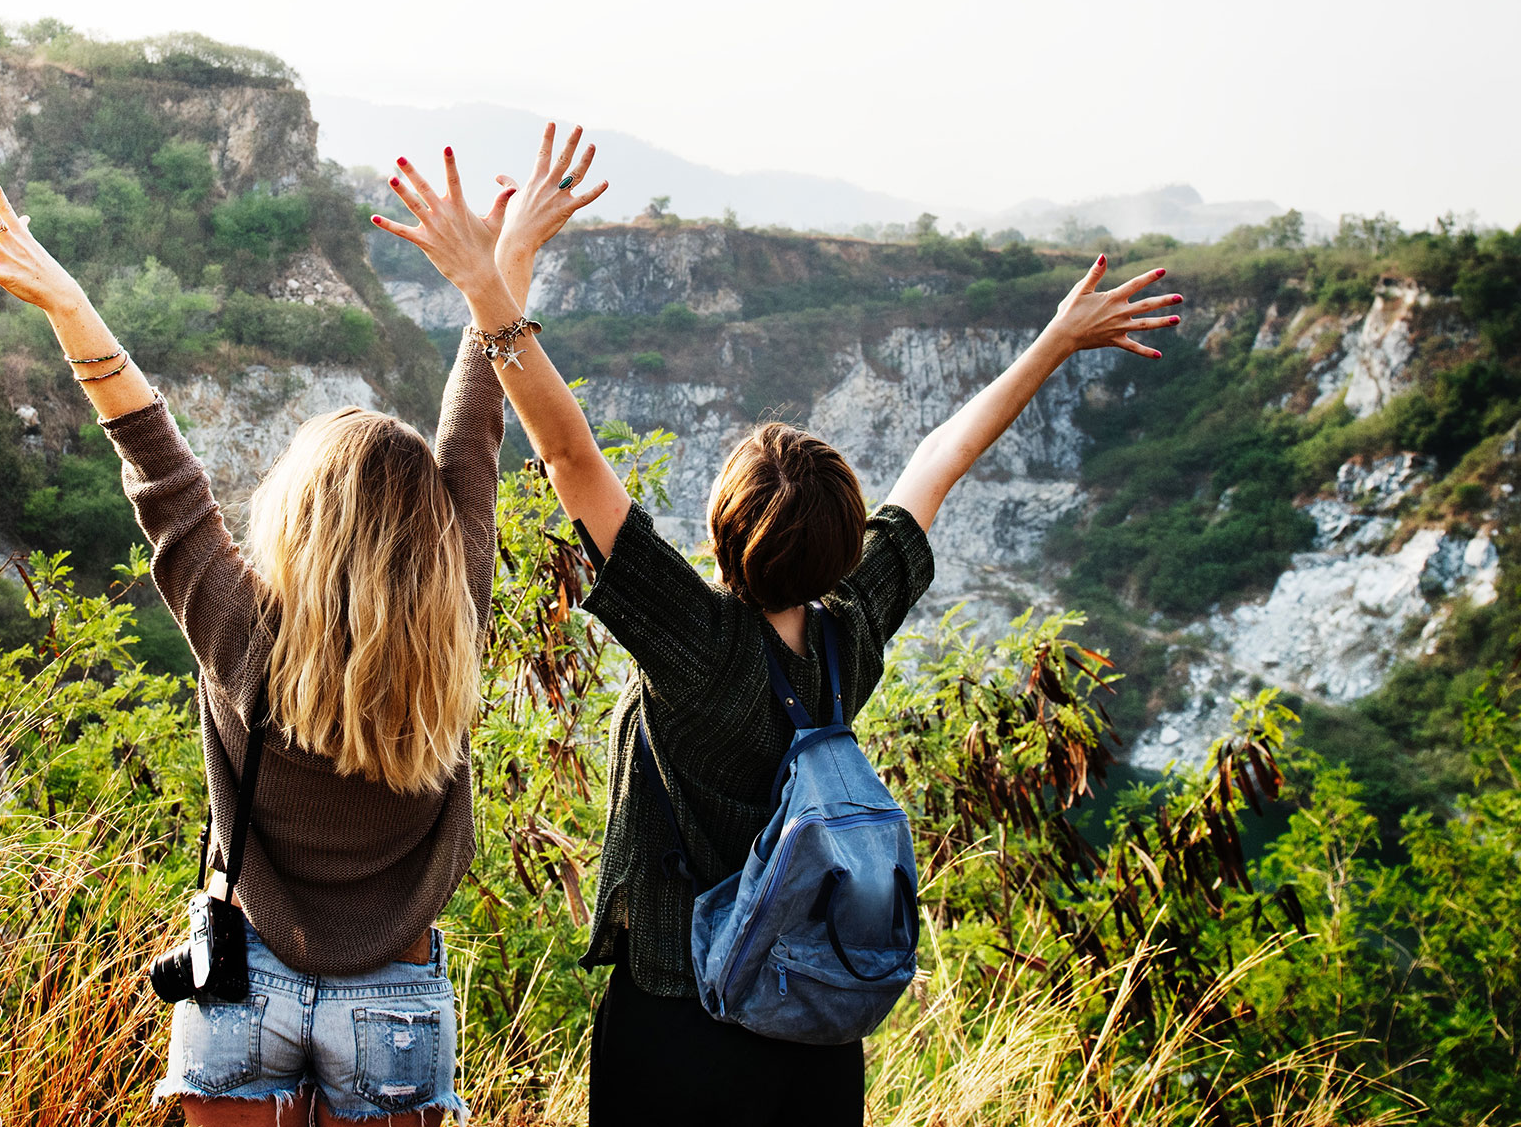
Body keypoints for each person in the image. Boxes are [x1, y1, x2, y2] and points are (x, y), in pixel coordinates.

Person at [390, 127, 1183, 1126]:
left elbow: (565, 454)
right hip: (812, 1031)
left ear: (719, 537)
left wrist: (487, 285)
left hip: (676, 1025)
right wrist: (1052, 342)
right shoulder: (852, 632)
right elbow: (939, 461)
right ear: (843, 549)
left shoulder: (697, 644)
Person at [0, 153, 590, 1125]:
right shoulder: (453, 610)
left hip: (240, 981)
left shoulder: (236, 627)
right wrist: (497, 269)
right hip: (394, 993)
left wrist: (71, 308)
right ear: (430, 532)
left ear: (295, 515)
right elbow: (474, 435)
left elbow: (153, 459)